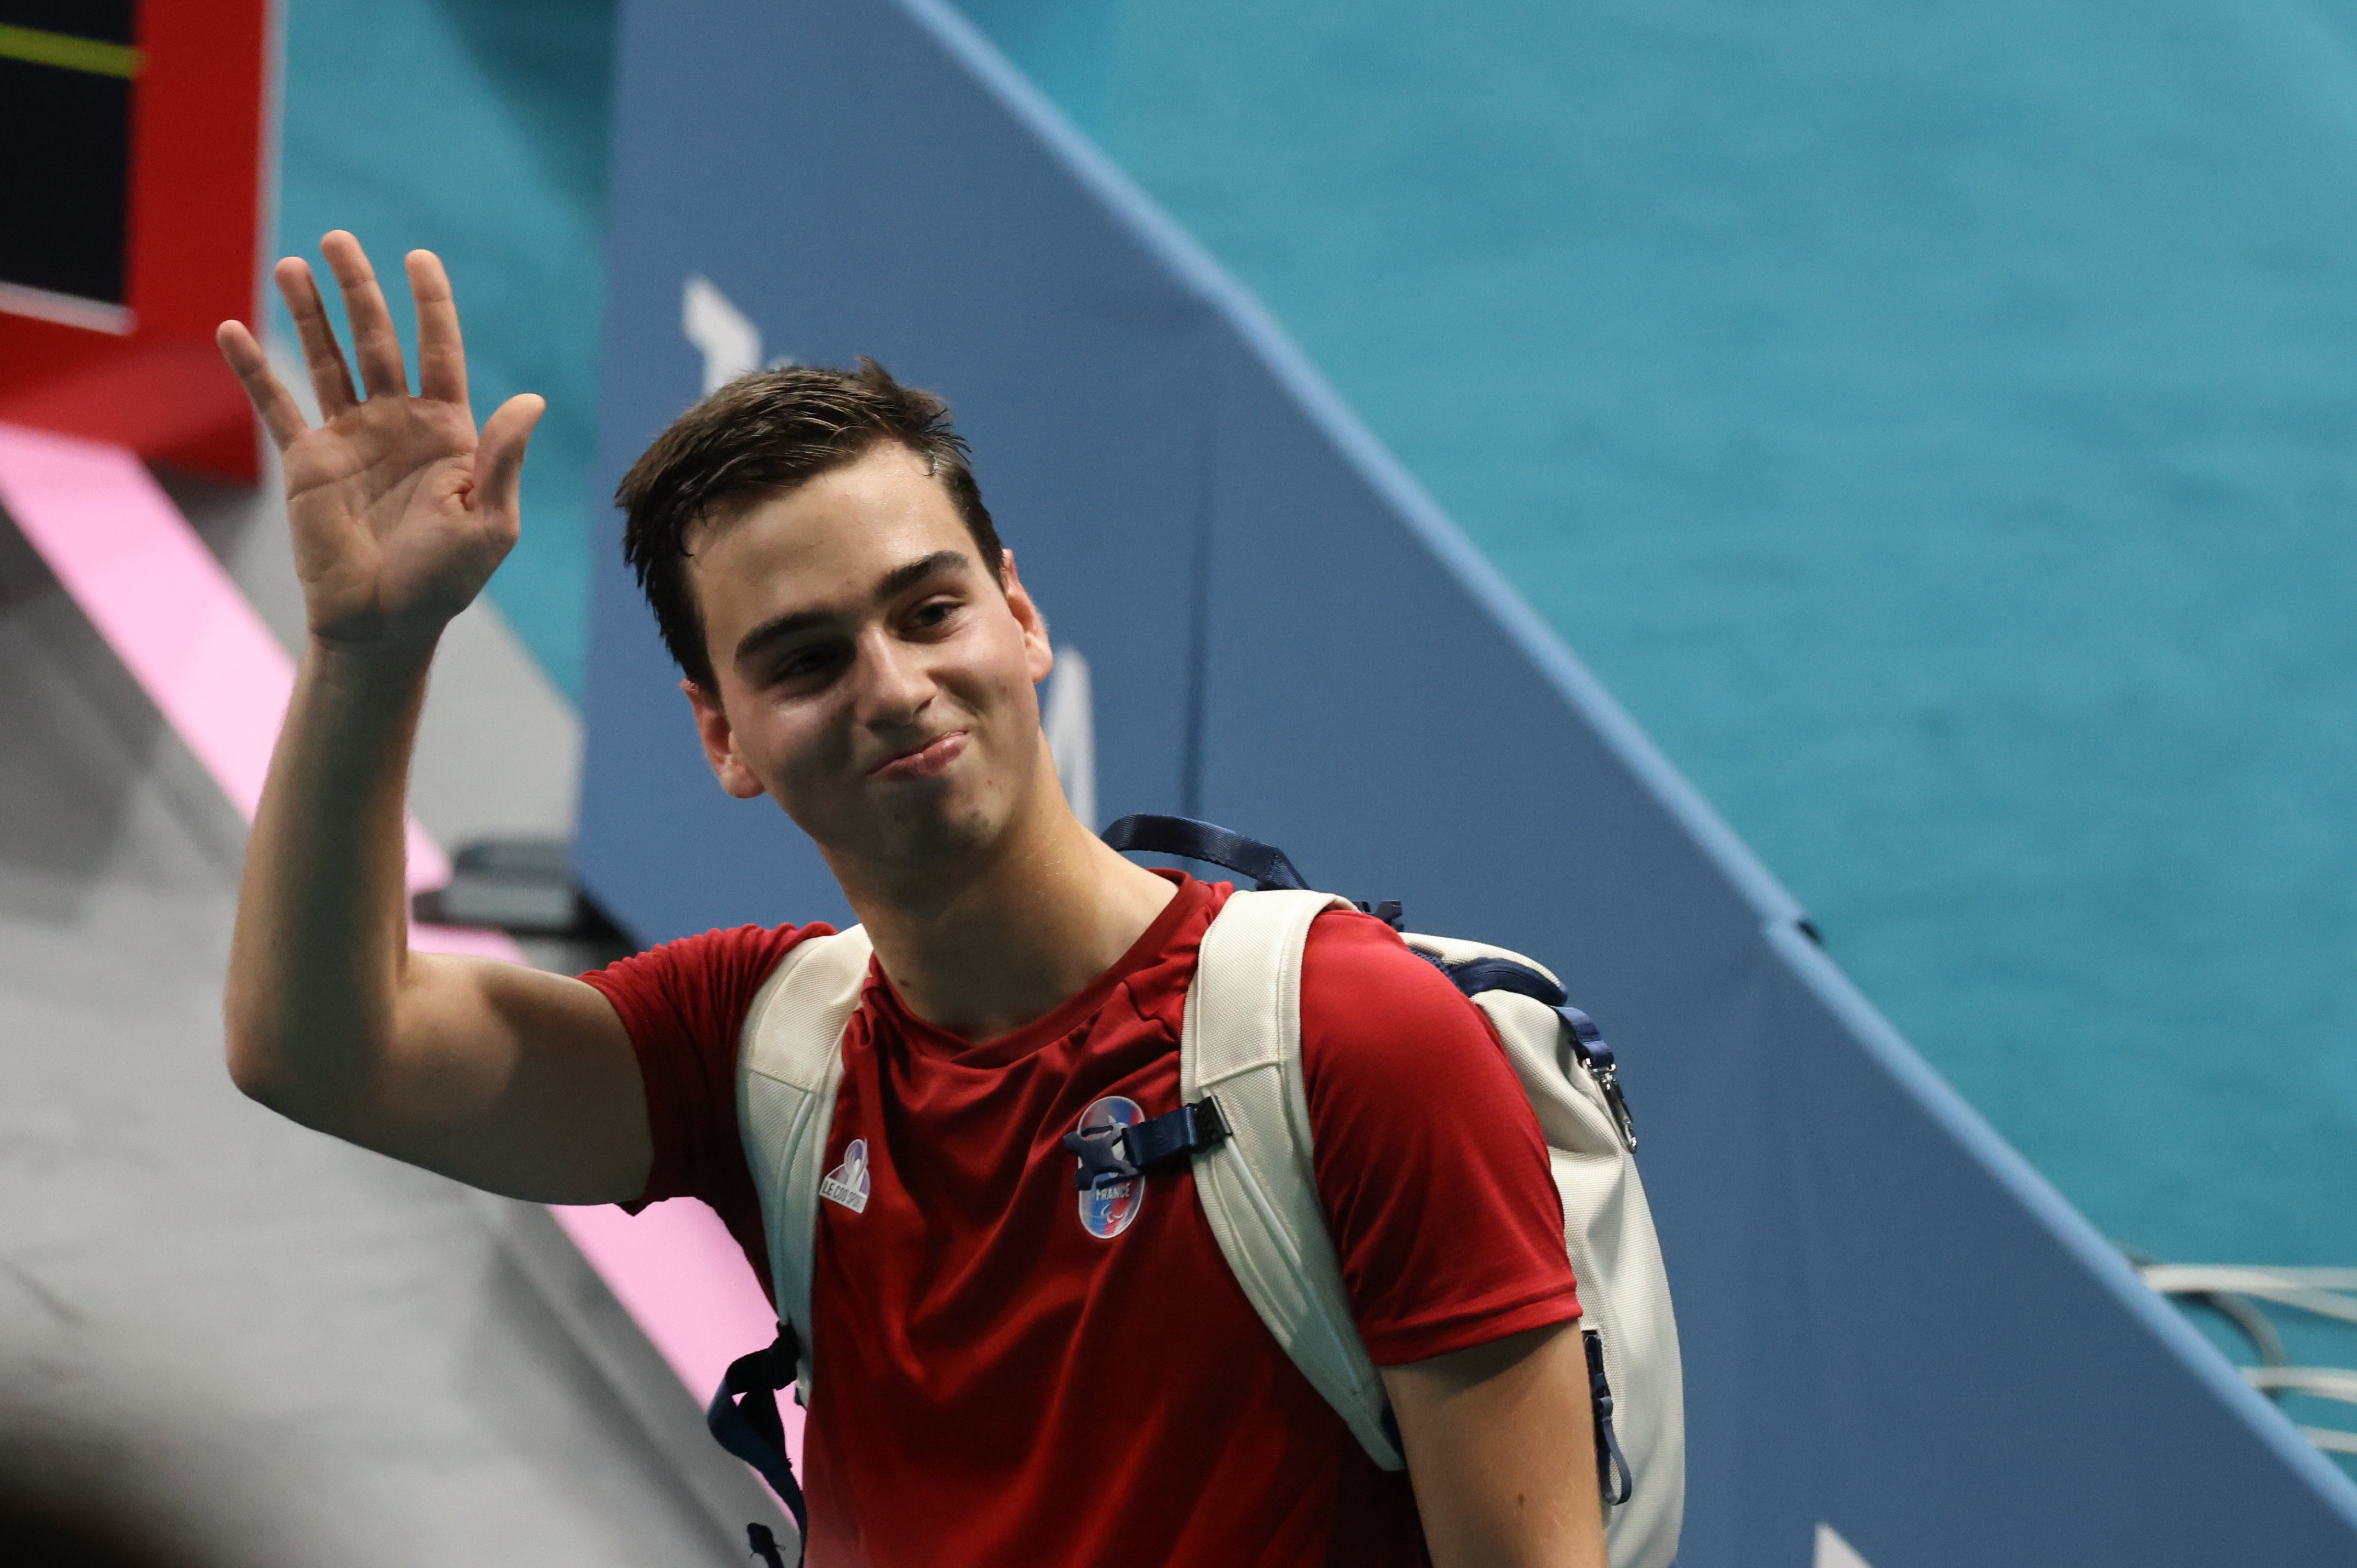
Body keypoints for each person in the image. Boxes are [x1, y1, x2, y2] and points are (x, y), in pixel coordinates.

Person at [215, 232, 1607, 1568]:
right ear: (723, 738)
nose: (889, 686)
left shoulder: (1351, 1044)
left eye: (928, 610)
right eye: (807, 660)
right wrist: (368, 647)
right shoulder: (759, 1047)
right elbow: (330, 1049)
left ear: (1020, 614)